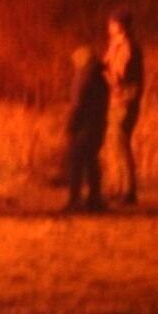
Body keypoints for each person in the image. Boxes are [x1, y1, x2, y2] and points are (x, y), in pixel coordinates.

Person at [102, 8, 144, 205]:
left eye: (113, 23)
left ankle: (129, 191)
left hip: (124, 101)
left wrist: (102, 73)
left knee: (121, 143)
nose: (109, 26)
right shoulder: (114, 45)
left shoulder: (128, 48)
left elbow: (119, 76)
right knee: (113, 145)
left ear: (121, 26)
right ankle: (118, 187)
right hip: (114, 100)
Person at [65, 44, 109, 212]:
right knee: (91, 162)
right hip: (98, 126)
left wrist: (71, 124)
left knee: (76, 162)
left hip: (84, 126)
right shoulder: (100, 77)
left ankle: (75, 200)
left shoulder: (83, 77)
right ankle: (94, 199)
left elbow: (78, 104)